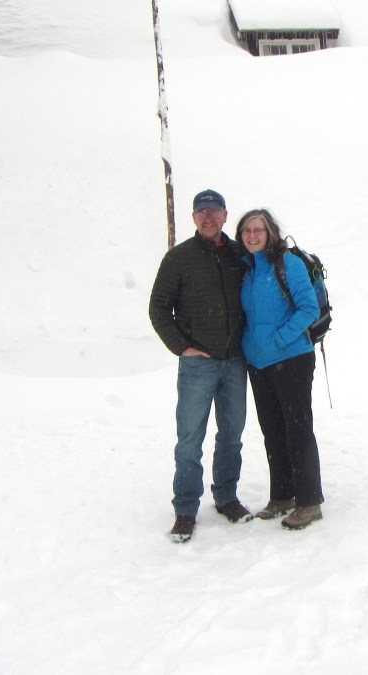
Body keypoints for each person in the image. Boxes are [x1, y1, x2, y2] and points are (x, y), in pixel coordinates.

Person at [149, 189, 253, 543]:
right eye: (201, 212)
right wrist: (183, 347)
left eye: (214, 211)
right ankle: (186, 509)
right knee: (190, 440)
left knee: (231, 435)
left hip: (235, 361)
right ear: (193, 218)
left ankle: (226, 497)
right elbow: (159, 309)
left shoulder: (240, 255)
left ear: (226, 215)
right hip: (198, 366)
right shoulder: (179, 258)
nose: (208, 217)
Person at [236, 208, 325, 530]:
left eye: (258, 230)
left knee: (297, 430)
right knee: (272, 431)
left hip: (292, 360)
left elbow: (308, 308)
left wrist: (278, 341)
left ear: (270, 232)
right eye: (246, 230)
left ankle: (309, 501)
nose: (252, 236)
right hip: (259, 363)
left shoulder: (289, 263)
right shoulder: (248, 269)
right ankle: (282, 496)